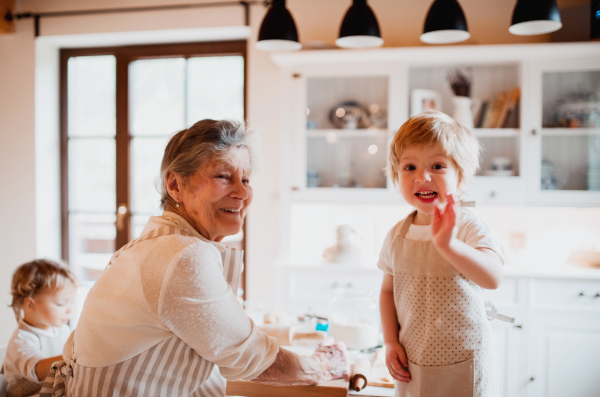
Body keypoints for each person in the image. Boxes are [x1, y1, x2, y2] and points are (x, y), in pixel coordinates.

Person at [40, 119, 348, 397]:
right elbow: (252, 358)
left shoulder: (161, 244)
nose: (241, 192)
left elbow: (220, 347)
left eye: (247, 179)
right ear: (175, 185)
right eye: (224, 176)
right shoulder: (182, 255)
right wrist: (319, 366)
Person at [378, 111, 504, 397]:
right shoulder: (397, 234)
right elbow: (387, 292)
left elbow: (494, 277)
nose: (422, 177)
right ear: (397, 176)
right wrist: (389, 342)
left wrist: (449, 245)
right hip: (412, 363)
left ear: (460, 175)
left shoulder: (468, 226)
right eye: (410, 167)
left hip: (464, 366)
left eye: (437, 165)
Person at [2, 259, 77, 397]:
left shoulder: (62, 330)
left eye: (71, 302)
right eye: (61, 303)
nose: (70, 310)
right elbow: (37, 369)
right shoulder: (21, 340)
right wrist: (73, 357)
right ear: (30, 304)